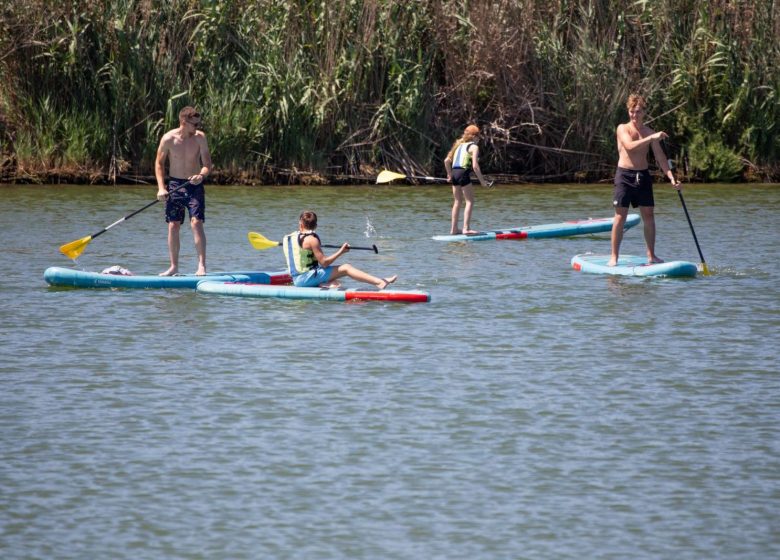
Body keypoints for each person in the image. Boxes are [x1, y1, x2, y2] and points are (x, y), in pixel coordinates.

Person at [609, 94, 680, 266]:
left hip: (643, 177)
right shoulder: (622, 129)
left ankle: (651, 255)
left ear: (644, 112)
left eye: (638, 112)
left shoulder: (649, 132)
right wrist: (651, 138)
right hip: (625, 176)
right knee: (620, 216)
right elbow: (630, 147)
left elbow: (661, 158)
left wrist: (671, 178)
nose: (634, 115)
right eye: (632, 112)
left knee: (649, 215)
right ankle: (614, 257)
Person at [155, 106, 213, 276]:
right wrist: (161, 188)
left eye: (198, 123)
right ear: (183, 122)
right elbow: (159, 164)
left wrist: (201, 176)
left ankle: (201, 266)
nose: (197, 127)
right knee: (173, 225)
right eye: (194, 124)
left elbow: (207, 164)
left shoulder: (200, 138)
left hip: (194, 185)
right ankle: (174, 267)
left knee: (196, 222)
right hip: (175, 185)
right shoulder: (168, 139)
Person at [283, 211, 397, 290]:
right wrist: (341, 251)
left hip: (297, 279)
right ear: (316, 226)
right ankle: (379, 283)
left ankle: (324, 283)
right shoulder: (312, 240)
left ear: (300, 224)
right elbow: (324, 263)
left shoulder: (288, 237)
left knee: (334, 281)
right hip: (304, 280)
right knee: (346, 268)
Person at [444, 124, 492, 235]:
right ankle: (466, 229)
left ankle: (454, 229)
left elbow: (446, 161)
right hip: (463, 173)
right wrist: (482, 182)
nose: (479, 140)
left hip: (455, 173)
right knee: (470, 201)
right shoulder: (474, 147)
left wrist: (449, 175)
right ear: (475, 137)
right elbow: (475, 166)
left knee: (457, 202)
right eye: (478, 137)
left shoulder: (458, 145)